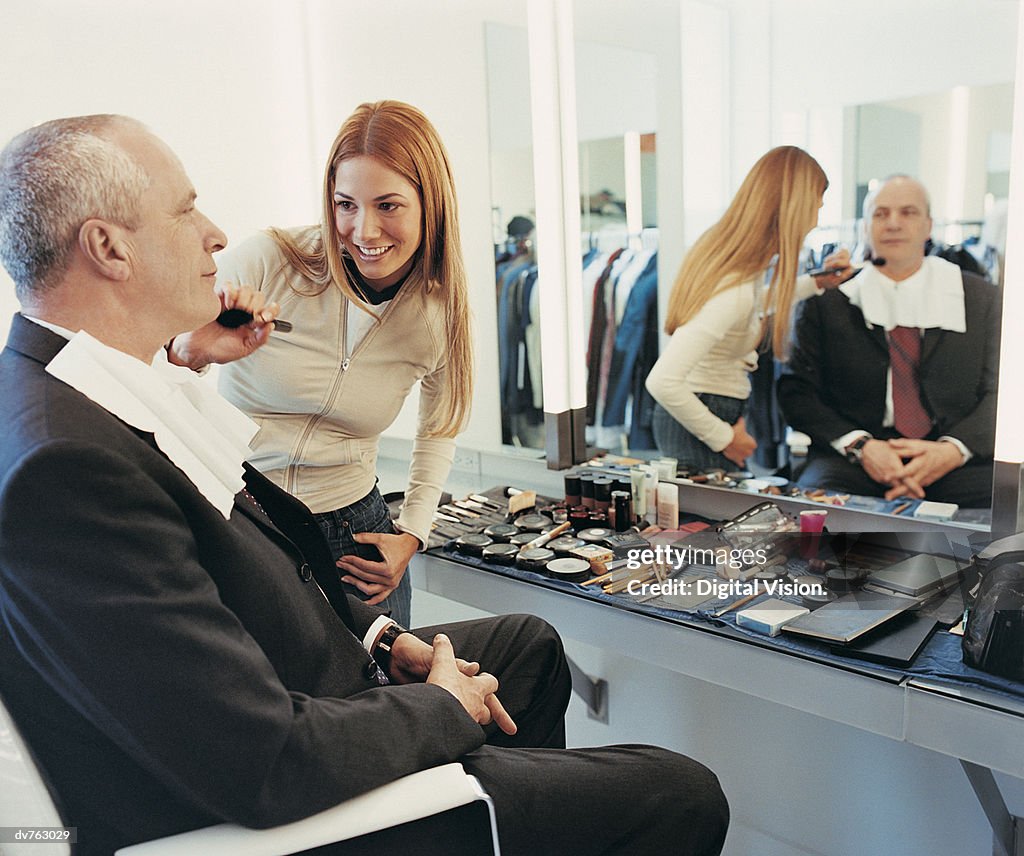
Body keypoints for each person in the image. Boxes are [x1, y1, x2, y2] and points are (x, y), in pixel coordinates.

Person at [0, 115, 729, 856]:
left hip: (312, 643)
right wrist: (441, 707)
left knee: (532, 651)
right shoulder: (69, 466)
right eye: (187, 212)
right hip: (277, 785)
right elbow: (261, 761)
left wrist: (382, 637)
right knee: (680, 792)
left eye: (388, 206)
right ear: (109, 247)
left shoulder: (103, 392)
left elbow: (242, 587)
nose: (216, 235)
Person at [207, 101, 473, 629]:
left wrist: (413, 532)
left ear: (431, 203)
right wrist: (194, 349)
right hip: (242, 515)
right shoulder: (269, 260)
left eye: (388, 205)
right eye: (345, 204)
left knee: (384, 702)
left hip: (354, 539)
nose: (363, 230)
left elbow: (439, 426)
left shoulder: (438, 312)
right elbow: (160, 351)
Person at [777, 175, 1000, 507]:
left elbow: (1004, 393)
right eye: (881, 214)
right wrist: (862, 446)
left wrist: (952, 450)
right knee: (814, 508)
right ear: (866, 227)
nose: (893, 223)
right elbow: (797, 391)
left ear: (929, 226)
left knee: (1012, 507)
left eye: (907, 212)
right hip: (856, 459)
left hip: (955, 459)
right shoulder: (827, 300)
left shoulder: (981, 298)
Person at [645, 146, 844, 471]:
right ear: (795, 207)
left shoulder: (736, 268)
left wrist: (817, 283)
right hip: (702, 418)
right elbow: (662, 381)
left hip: (707, 410)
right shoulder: (735, 286)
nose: (815, 222)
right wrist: (725, 438)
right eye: (816, 207)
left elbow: (750, 305)